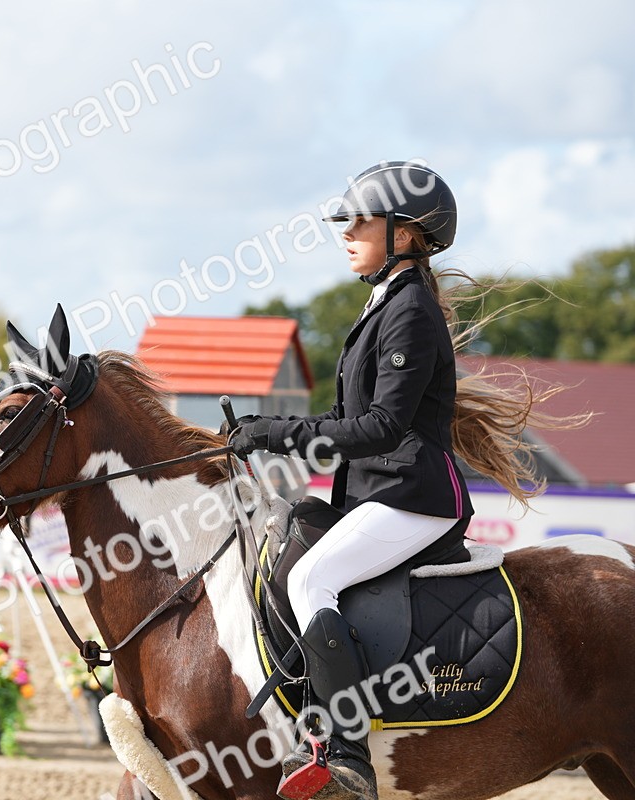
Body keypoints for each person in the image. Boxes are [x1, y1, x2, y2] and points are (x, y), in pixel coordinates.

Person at [230, 162, 471, 800]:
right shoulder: (384, 302)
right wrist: (270, 429)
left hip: (415, 496)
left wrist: (277, 432)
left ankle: (348, 757)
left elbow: (383, 426)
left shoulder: (411, 310)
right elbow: (344, 422)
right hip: (380, 490)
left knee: (313, 577)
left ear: (407, 232)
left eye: (362, 219)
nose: (348, 230)